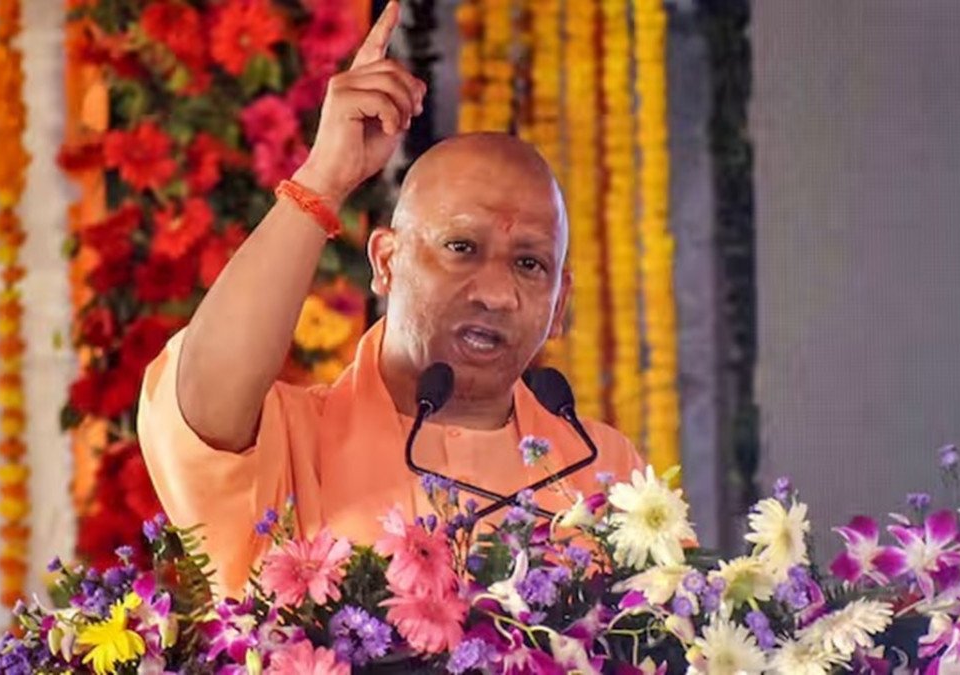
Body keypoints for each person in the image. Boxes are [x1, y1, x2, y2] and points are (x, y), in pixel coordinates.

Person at [138, 1, 643, 595]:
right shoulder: (296, 441)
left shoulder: (602, 468)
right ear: (385, 262)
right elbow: (203, 402)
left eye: (530, 264)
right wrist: (324, 178)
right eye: (461, 247)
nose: (496, 294)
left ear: (558, 305)